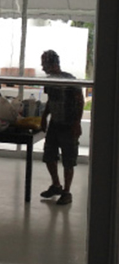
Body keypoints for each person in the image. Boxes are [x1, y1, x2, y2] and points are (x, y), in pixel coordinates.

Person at [38, 49, 85, 206]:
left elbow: (80, 101)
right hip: (55, 124)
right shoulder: (50, 81)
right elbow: (51, 101)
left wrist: (77, 123)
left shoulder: (69, 80)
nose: (42, 67)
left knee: (68, 160)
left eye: (44, 64)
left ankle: (67, 192)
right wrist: (44, 117)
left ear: (52, 64)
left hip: (69, 124)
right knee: (49, 155)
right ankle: (56, 185)